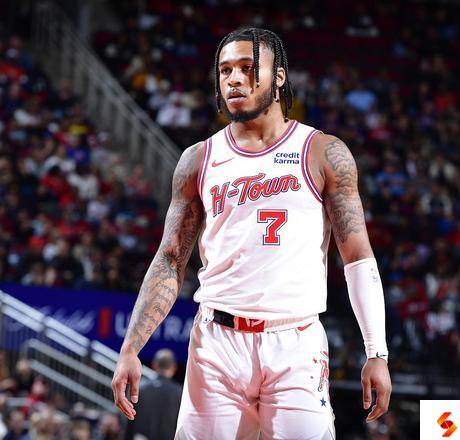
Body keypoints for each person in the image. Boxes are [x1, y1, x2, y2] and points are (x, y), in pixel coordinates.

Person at [112, 27, 392, 439]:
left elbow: (357, 256)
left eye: (247, 68)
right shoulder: (198, 160)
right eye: (225, 70)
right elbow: (170, 259)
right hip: (217, 342)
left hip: (295, 340)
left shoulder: (323, 152)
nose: (234, 79)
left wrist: (376, 351)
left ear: (278, 76)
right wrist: (131, 347)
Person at [124, 349, 182, 440]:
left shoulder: (139, 389)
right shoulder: (179, 392)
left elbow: (128, 420)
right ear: (174, 367)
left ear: (154, 364)